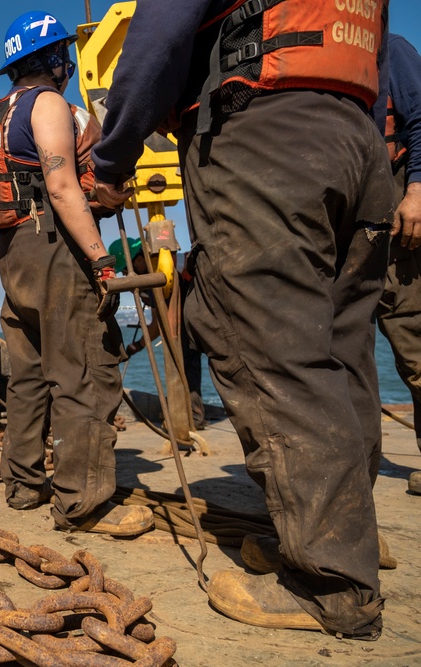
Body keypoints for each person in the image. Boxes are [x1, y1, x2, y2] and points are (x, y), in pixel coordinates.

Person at [91, 0, 392, 638]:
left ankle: (330, 584)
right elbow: (376, 55)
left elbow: (159, 36)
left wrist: (114, 157)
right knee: (343, 351)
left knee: (271, 350)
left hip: (263, 133)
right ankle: (354, 542)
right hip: (356, 140)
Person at [0, 12, 153, 536]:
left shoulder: (3, 114)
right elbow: (61, 186)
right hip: (56, 246)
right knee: (84, 371)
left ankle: (23, 484)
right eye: (64, 55)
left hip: (17, 253)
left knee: (29, 373)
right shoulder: (48, 103)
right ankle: (85, 504)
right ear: (54, 58)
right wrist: (101, 257)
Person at [376, 33, 421, 496]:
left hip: (396, 199)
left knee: (414, 339)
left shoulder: (388, 47)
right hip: (339, 214)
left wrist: (418, 189)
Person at [112, 238, 206, 430]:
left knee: (187, 361)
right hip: (188, 321)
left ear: (137, 260)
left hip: (196, 318)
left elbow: (156, 326)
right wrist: (136, 346)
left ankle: (194, 418)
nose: (126, 274)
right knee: (187, 362)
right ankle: (191, 415)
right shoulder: (158, 275)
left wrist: (136, 346)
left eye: (125, 269)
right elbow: (158, 324)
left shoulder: (168, 270)